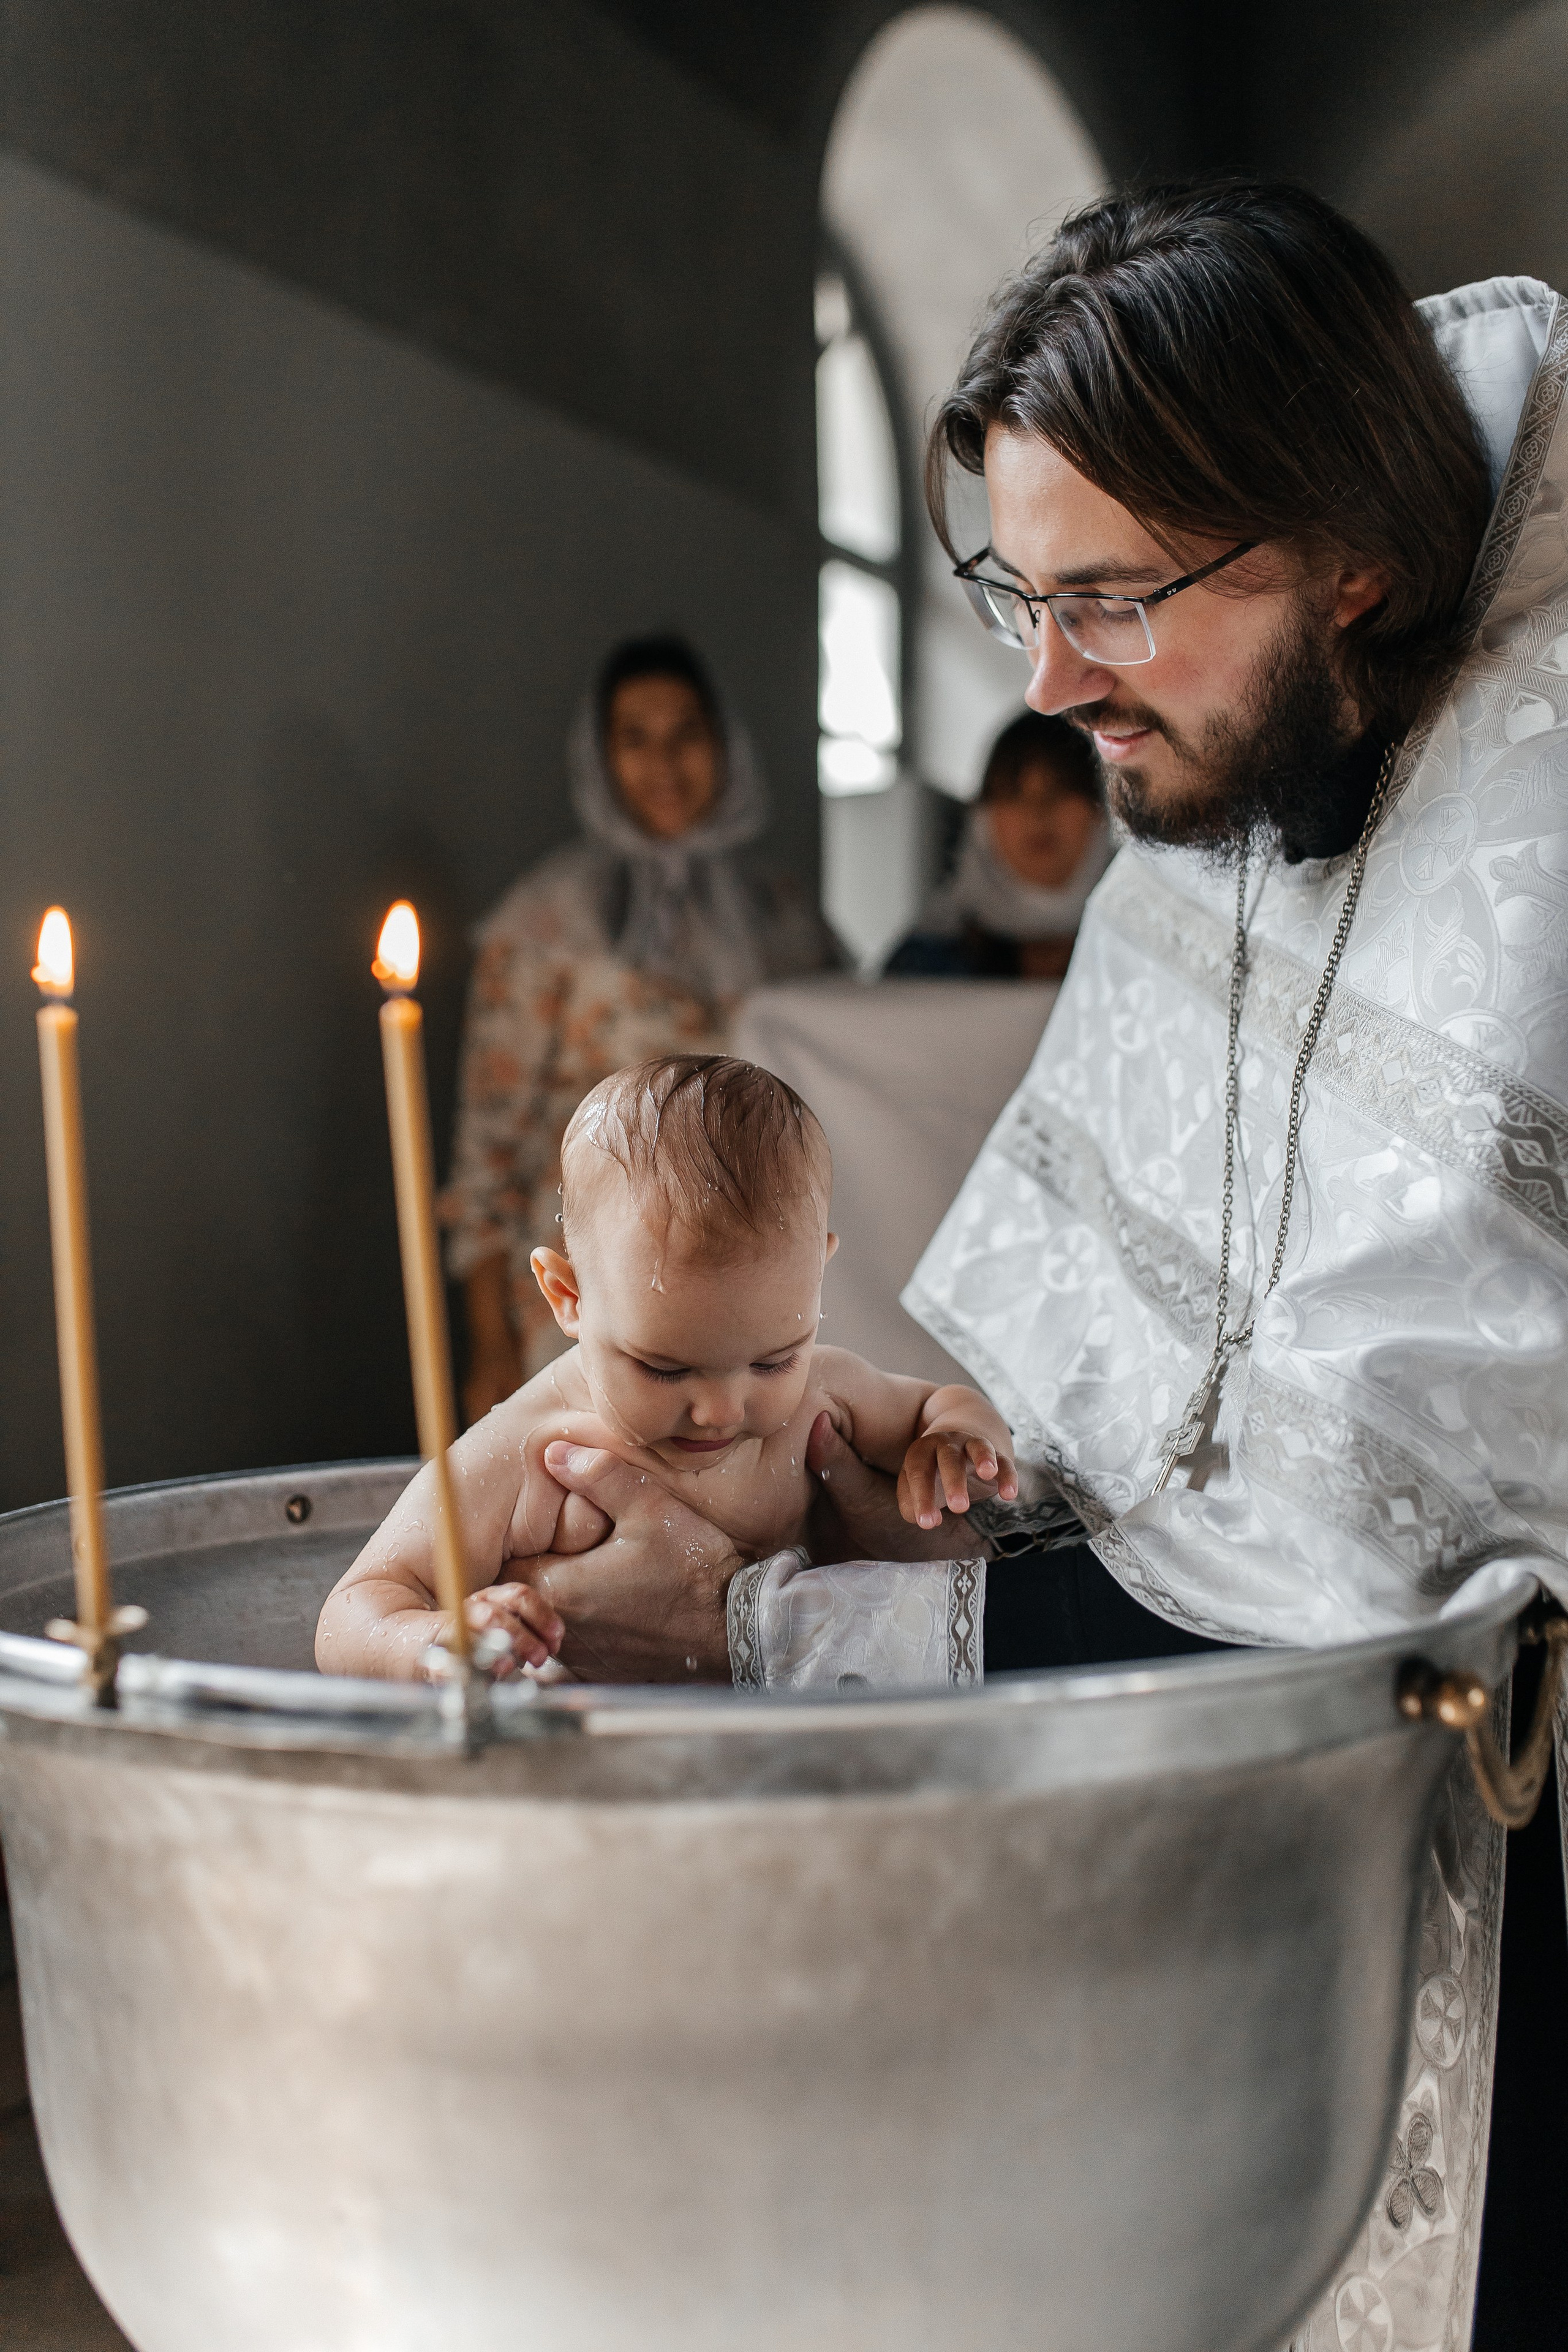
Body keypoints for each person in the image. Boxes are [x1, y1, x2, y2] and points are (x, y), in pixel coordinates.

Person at [479, 184, 1568, 2345]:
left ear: (1352, 558)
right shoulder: (1240, 726)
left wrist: (769, 1626)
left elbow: (1389, 1557)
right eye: (1014, 588)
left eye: (1110, 602)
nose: (1052, 684)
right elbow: (1177, 1424)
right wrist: (939, 1486)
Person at [318, 1055, 1011, 1679]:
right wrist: (441, 1641)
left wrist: (953, 1445)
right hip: (607, 1766)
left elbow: (940, 1406)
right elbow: (353, 1613)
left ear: (818, 1279)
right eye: (665, 1370)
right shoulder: (530, 1448)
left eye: (773, 1361)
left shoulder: (823, 1396)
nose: (721, 1409)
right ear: (569, 1298)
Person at [442, 636, 838, 1424]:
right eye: (636, 739)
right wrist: (488, 1346)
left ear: (724, 746)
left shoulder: (784, 916)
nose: (665, 763)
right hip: (589, 1290)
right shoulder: (547, 920)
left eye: (687, 733)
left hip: (747, 1285)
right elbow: (486, 1150)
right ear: (601, 758)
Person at [885, 710, 1110, 979]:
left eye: (1061, 789)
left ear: (1100, 809)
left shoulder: (1150, 955)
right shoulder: (920, 968)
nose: (1037, 813)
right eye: (1014, 793)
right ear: (982, 818)